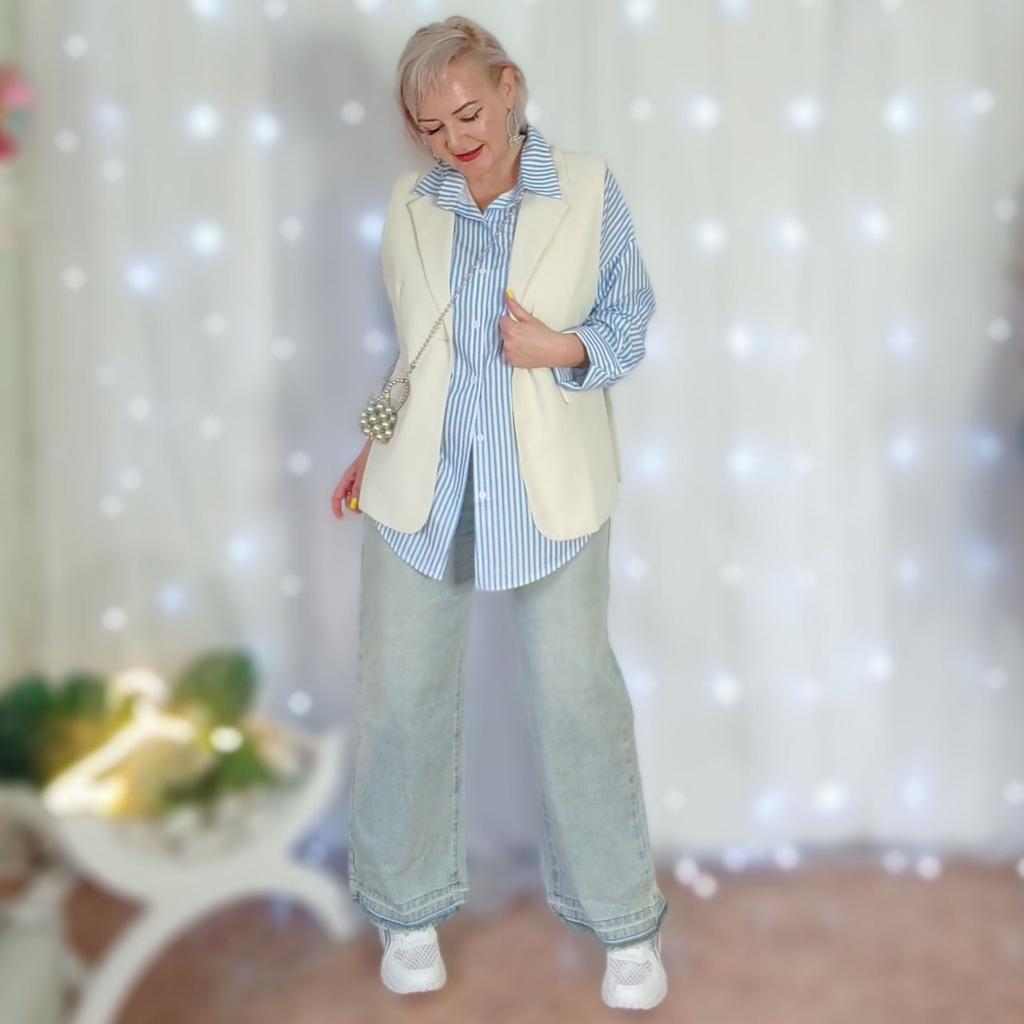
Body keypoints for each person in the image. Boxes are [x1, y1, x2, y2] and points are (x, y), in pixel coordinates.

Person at [331, 14, 668, 1011]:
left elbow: (630, 317)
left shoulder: (588, 187)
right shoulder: (409, 204)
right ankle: (405, 911)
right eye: (431, 128)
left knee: (575, 700)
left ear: (509, 87)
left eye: (468, 114)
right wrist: (371, 443)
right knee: (400, 698)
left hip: (550, 487)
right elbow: (412, 350)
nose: (454, 141)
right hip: (419, 485)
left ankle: (625, 924)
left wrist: (560, 348)